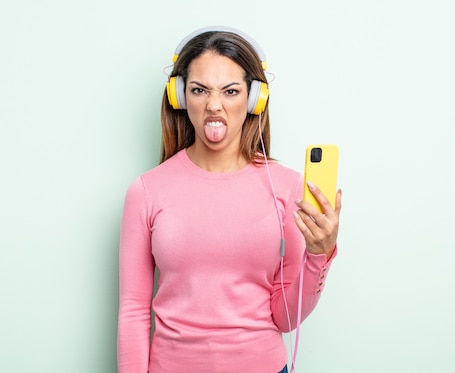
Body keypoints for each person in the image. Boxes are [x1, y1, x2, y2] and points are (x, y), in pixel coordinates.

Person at [117, 25, 342, 373]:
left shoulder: (285, 188)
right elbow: (133, 309)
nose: (214, 105)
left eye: (231, 91)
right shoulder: (147, 190)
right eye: (199, 90)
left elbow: (284, 318)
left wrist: (319, 254)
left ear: (254, 100)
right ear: (179, 96)